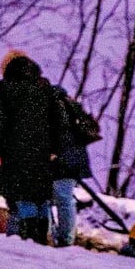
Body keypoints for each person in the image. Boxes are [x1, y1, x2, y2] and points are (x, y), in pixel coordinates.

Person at [0, 51, 62, 244]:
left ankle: (25, 236)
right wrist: (54, 148)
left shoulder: (4, 87)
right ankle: (41, 235)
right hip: (43, 151)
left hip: (15, 149)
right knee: (40, 195)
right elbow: (57, 120)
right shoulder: (45, 86)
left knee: (21, 194)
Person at [50, 86, 92, 247]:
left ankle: (58, 237)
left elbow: (58, 134)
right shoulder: (71, 107)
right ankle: (65, 238)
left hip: (61, 161)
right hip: (75, 162)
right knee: (65, 199)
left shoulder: (55, 107)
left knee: (53, 198)